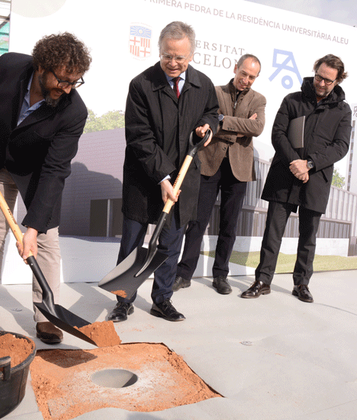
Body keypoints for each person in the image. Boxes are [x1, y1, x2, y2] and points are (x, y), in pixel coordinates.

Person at [0, 32, 91, 344]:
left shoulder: (73, 110)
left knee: (45, 242)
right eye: (63, 80)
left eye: (76, 81)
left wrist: (31, 228)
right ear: (42, 67)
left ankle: (46, 315)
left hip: (38, 174)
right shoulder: (7, 67)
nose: (69, 88)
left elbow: (56, 169)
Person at [106, 21, 219, 323]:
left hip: (184, 179)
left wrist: (208, 127)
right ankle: (123, 300)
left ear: (191, 55)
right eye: (167, 55)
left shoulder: (203, 84)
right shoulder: (141, 85)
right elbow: (140, 137)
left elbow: (213, 112)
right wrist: (162, 177)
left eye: (179, 57)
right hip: (144, 179)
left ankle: (162, 299)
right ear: (159, 51)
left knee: (169, 245)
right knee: (132, 245)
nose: (173, 63)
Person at [241, 54, 351, 303]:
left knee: (308, 237)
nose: (322, 83)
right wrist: (295, 163)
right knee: (272, 232)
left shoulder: (343, 110)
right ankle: (263, 280)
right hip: (284, 175)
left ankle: (301, 283)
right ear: (315, 70)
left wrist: (309, 164)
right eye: (320, 77)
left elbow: (341, 146)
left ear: (338, 81)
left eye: (328, 81)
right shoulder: (292, 100)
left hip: (316, 180)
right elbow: (277, 133)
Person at [173, 54, 266, 295]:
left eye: (252, 77)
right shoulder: (213, 92)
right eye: (243, 73)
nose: (246, 80)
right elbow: (206, 121)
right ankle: (184, 274)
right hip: (209, 163)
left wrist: (222, 121)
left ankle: (220, 276)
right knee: (196, 222)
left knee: (229, 224)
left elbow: (257, 128)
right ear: (236, 69)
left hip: (239, 169)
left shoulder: (259, 100)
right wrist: (237, 126)